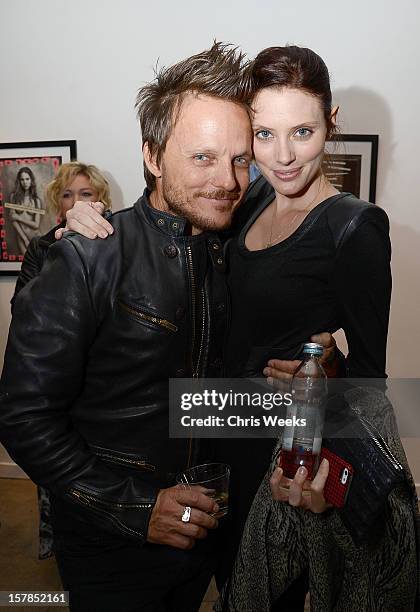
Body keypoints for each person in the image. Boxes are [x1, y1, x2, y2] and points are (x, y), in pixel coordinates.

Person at [0, 43, 256, 612]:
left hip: (204, 536)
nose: (229, 180)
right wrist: (139, 508)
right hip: (110, 547)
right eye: (203, 158)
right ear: (153, 156)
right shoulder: (85, 258)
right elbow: (22, 416)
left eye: (240, 159)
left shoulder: (226, 254)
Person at [215, 45, 418, 611]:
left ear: (331, 124)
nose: (282, 156)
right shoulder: (252, 195)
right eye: (264, 134)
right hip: (219, 429)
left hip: (283, 459)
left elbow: (369, 381)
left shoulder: (354, 228)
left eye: (301, 132)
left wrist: (330, 376)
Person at [11, 161, 112, 561]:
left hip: (95, 376)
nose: (75, 202)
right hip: (54, 375)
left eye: (84, 194)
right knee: (52, 455)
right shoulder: (41, 247)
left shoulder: (113, 239)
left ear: (100, 201)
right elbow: (22, 307)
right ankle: (53, 536)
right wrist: (61, 250)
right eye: (67, 194)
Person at [8, 166, 42, 254]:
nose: (25, 182)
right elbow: (13, 221)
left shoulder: (36, 200)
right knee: (25, 265)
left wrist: (18, 218)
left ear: (31, 180)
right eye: (22, 179)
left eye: (27, 179)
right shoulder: (14, 198)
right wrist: (25, 239)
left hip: (35, 236)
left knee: (38, 264)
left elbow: (36, 225)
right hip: (21, 237)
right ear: (19, 181)